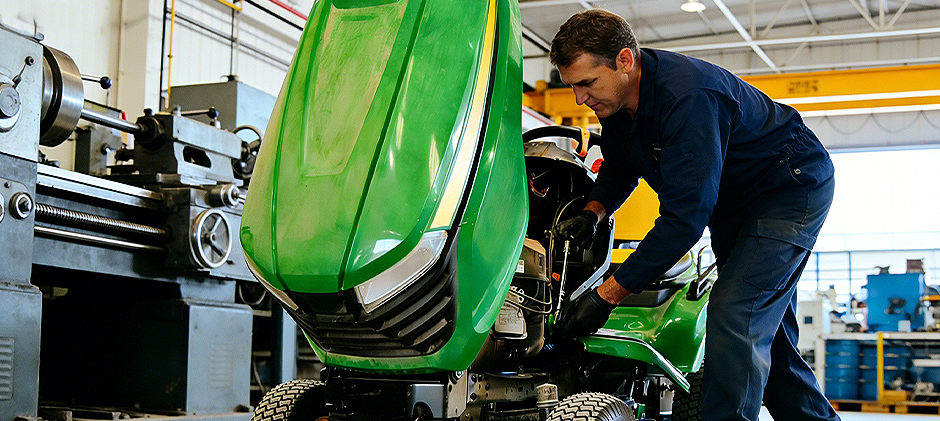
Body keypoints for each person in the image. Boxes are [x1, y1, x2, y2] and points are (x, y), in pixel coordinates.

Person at [549, 9, 839, 421]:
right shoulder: (615, 100)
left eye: (586, 83)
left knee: (735, 315)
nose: (580, 98)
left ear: (625, 61)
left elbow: (685, 219)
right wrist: (592, 213)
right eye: (572, 86)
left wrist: (607, 296)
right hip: (732, 203)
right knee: (763, 338)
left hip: (788, 190)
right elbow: (619, 167)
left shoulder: (688, 98)